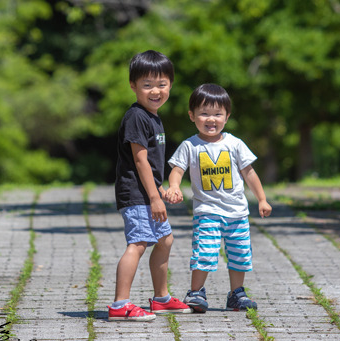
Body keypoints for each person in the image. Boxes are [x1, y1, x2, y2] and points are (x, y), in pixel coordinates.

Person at [166, 83, 272, 313]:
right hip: (207, 211)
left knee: (240, 255)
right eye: (204, 113)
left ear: (227, 116)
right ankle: (195, 292)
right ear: (192, 115)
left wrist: (262, 199)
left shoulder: (234, 144)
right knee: (204, 252)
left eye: (217, 114)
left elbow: (249, 173)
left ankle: (236, 294)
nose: (210, 119)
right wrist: (174, 186)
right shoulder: (190, 145)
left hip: (237, 213)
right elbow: (176, 169)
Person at [108, 50, 192, 321]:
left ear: (171, 84)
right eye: (147, 85)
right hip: (135, 193)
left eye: (162, 84)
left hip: (148, 192)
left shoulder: (153, 117)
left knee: (165, 239)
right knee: (138, 243)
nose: (155, 91)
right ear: (133, 85)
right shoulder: (136, 116)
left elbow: (153, 166)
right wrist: (155, 198)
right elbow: (140, 160)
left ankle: (161, 298)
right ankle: (120, 305)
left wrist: (162, 190)